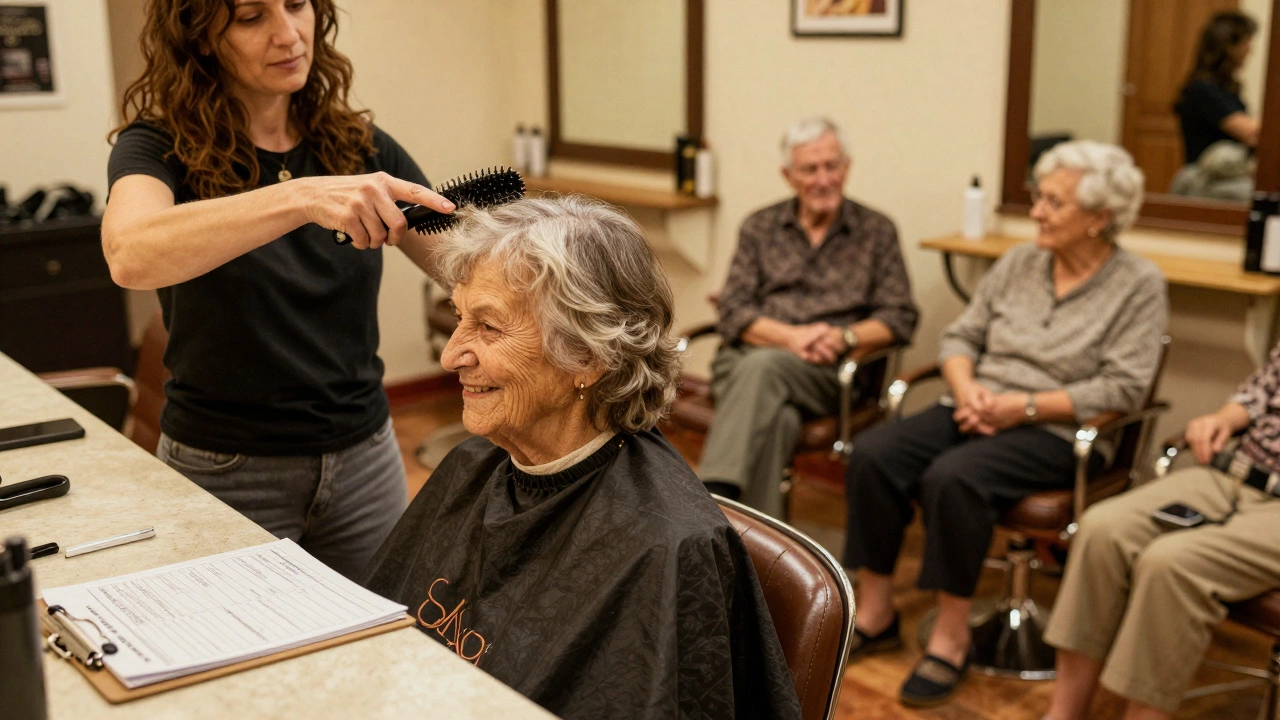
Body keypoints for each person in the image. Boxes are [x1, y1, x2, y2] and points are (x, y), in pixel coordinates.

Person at [362, 196, 801, 720]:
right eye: (460, 319)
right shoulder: (469, 466)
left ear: (589, 357)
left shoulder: (665, 547)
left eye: (489, 327)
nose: (451, 354)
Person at [101, 0, 455, 580]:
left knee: (384, 652)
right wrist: (298, 199)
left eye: (296, 5)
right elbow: (130, 254)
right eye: (250, 17)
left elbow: (462, 261)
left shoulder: (357, 146)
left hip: (366, 461)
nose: (288, 34)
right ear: (203, 35)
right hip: (226, 472)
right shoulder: (156, 148)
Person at [842, 140, 1169, 707]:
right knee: (875, 453)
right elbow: (962, 336)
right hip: (977, 402)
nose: (1037, 212)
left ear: (1099, 218)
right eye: (1038, 198)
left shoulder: (1138, 284)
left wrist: (1025, 407)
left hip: (1058, 432)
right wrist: (968, 389)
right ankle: (876, 609)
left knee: (954, 477)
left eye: (1054, 203)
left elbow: (1123, 385)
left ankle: (950, 635)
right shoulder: (1019, 263)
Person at [1041, 344, 1280, 720]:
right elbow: (1262, 390)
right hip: (1237, 472)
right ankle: (1064, 714)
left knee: (1172, 563)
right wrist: (1222, 419)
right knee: (1102, 529)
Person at [699, 116, 918, 518]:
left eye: (832, 166)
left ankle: (713, 500)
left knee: (765, 369)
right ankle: (764, 559)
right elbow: (733, 309)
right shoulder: (760, 226)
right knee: (778, 417)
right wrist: (790, 338)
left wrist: (845, 338)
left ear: (847, 167)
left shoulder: (876, 231)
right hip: (746, 359)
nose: (823, 179)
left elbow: (900, 316)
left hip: (830, 371)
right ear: (788, 175)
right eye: (810, 169)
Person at [1171, 11, 1259, 201]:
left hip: (1225, 177)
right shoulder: (1203, 90)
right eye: (1246, 42)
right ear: (1228, 47)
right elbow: (1251, 133)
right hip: (1208, 182)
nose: (1250, 49)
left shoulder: (1225, 89)